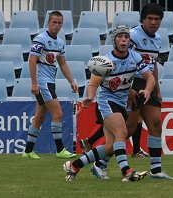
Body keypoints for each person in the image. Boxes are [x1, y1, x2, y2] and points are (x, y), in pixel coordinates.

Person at [91, 2, 173, 180]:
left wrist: (156, 89)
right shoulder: (132, 36)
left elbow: (152, 66)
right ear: (143, 20)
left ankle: (156, 170)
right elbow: (122, 61)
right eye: (150, 19)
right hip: (130, 85)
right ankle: (100, 164)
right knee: (127, 130)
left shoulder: (159, 39)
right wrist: (129, 89)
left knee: (155, 124)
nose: (153, 22)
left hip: (148, 86)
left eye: (157, 19)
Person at [63, 25, 156, 182]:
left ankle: (74, 165)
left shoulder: (135, 57)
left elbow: (151, 78)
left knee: (110, 146)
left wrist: (147, 90)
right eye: (120, 37)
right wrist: (90, 97)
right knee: (122, 132)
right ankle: (126, 171)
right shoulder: (105, 61)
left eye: (126, 37)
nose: (124, 40)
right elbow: (93, 84)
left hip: (122, 102)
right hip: (107, 101)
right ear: (114, 41)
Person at [22, 10, 78, 159]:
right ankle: (60, 150)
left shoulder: (60, 42)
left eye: (60, 23)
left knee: (39, 117)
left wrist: (71, 81)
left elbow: (63, 64)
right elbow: (32, 60)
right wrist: (34, 83)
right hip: (42, 82)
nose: (57, 25)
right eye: (54, 22)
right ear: (49, 22)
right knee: (58, 114)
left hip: (49, 82)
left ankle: (27, 151)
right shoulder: (40, 39)